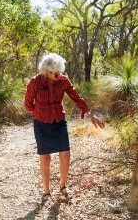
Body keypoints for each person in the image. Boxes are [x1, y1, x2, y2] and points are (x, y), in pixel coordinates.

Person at [24, 53, 105, 201]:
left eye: (58, 72)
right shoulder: (35, 82)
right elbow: (28, 104)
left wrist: (90, 112)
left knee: (65, 155)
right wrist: (39, 112)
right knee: (45, 158)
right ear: (45, 71)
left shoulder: (63, 80)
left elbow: (76, 97)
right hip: (41, 123)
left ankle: (63, 185)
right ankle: (47, 191)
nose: (56, 75)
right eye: (52, 73)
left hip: (59, 121)